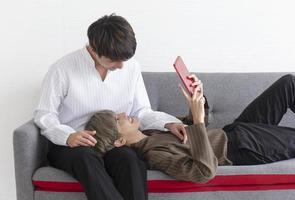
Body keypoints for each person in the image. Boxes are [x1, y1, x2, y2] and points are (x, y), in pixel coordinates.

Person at [33, 14, 195, 200]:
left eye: (123, 60)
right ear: (93, 48)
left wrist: (167, 124)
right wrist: (68, 136)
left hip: (113, 143)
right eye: (113, 60)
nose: (120, 66)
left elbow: (141, 111)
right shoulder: (62, 69)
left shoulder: (131, 68)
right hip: (72, 145)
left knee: (130, 160)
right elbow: (45, 114)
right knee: (86, 158)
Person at [85, 73, 295, 183]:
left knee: (288, 84)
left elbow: (193, 129)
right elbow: (203, 172)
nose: (123, 114)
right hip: (243, 148)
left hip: (234, 130)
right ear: (120, 141)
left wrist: (196, 102)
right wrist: (197, 122)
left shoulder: (152, 131)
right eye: (117, 120)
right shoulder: (153, 154)